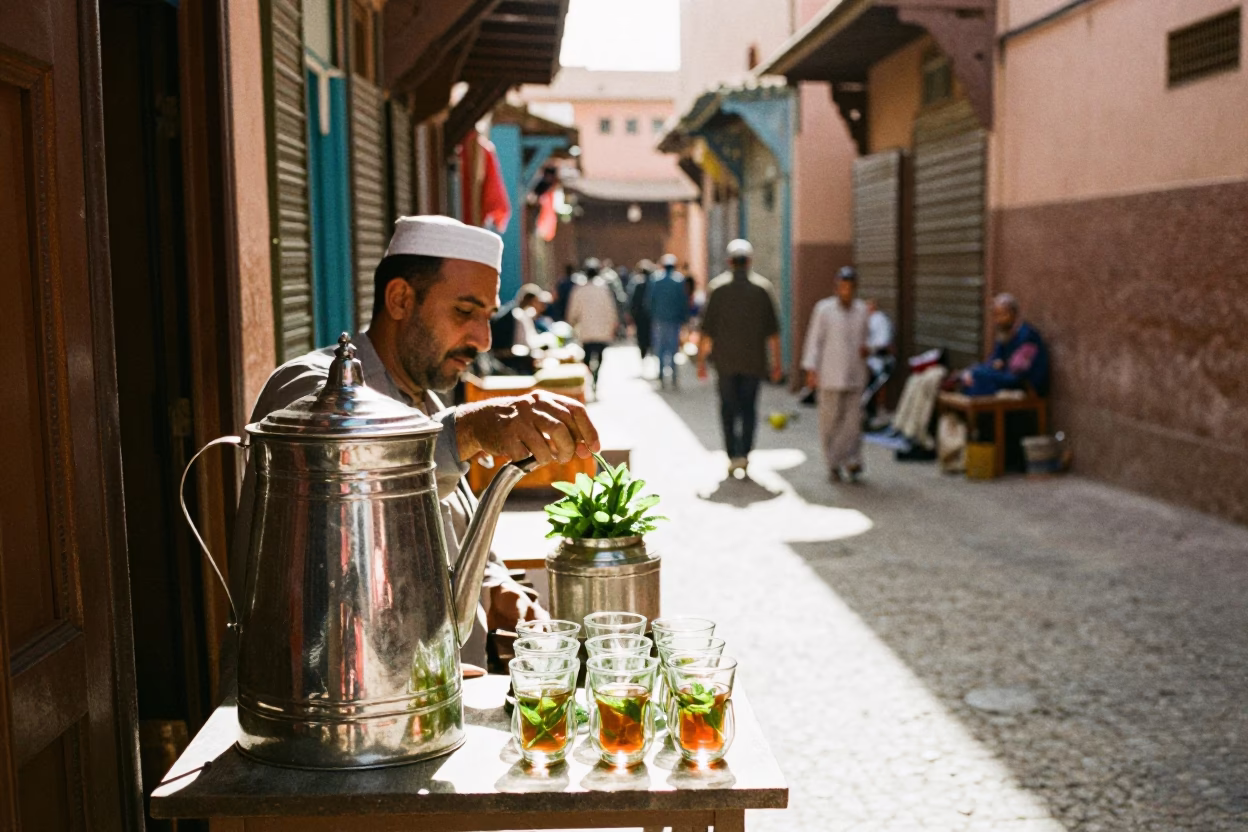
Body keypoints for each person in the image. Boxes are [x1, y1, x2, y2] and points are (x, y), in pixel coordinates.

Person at [231, 216, 601, 669]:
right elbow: (355, 484)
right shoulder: (307, 389)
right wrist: (470, 428)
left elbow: (452, 545)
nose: (482, 340)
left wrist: (501, 591)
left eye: (488, 317)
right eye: (465, 313)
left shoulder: (424, 403)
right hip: (329, 711)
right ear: (401, 299)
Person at [697, 239, 784, 478]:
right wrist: (777, 365)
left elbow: (706, 331)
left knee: (728, 409)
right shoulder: (762, 289)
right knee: (748, 409)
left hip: (725, 364)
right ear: (750, 261)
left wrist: (702, 363)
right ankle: (744, 453)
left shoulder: (717, 289)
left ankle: (733, 454)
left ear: (729, 262)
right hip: (753, 363)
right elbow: (773, 333)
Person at [802, 266, 871, 482]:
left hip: (855, 373)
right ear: (836, 288)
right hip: (830, 373)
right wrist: (811, 369)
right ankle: (832, 463)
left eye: (849, 287)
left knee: (853, 421)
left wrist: (869, 349)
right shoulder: (824, 310)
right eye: (842, 287)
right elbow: (814, 340)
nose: (845, 291)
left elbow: (869, 339)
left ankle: (852, 460)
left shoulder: (862, 311)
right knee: (830, 420)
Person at [958, 293, 1049, 396]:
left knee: (978, 377)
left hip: (1024, 383)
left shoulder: (1027, 336)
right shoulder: (1005, 334)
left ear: (1013, 314)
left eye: (1001, 315)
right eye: (995, 316)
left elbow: (1018, 372)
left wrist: (996, 368)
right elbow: (994, 359)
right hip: (1007, 376)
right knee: (971, 374)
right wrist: (990, 366)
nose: (997, 321)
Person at [566, 262, 619, 388]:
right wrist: (613, 324)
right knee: (599, 355)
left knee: (587, 356)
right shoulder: (604, 289)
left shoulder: (579, 289)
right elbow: (610, 309)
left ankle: (591, 377)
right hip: (601, 329)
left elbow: (573, 309)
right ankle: (595, 377)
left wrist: (571, 322)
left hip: (586, 329)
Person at [646, 253, 689, 389]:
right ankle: (674, 376)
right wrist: (684, 318)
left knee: (660, 348)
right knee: (673, 349)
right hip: (673, 320)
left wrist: (651, 315)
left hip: (659, 319)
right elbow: (683, 301)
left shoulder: (656, 280)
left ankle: (661, 376)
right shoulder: (679, 280)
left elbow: (650, 300)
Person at [628, 259, 655, 362]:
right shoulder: (653, 283)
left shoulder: (637, 283)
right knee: (649, 334)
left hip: (640, 315)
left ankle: (643, 352)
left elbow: (633, 300)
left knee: (641, 335)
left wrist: (632, 314)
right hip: (649, 315)